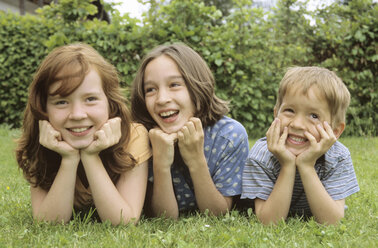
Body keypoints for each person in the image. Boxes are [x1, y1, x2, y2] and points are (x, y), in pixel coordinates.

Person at [15, 43, 151, 225]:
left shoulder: (133, 136)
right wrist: (69, 160)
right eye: (62, 102)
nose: (78, 114)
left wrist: (90, 156)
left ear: (110, 103)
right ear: (43, 107)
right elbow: (48, 223)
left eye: (91, 99)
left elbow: (124, 222)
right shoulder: (40, 141)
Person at [131, 43, 249, 218]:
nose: (162, 99)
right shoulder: (141, 139)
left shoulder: (228, 136)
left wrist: (195, 159)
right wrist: (161, 164)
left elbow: (217, 214)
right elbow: (164, 219)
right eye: (150, 90)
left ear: (198, 86)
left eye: (174, 84)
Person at [241, 66, 360, 225]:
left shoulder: (338, 156)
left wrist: (306, 165)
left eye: (313, 116)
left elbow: (332, 222)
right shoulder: (262, 155)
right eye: (289, 110)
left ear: (335, 131)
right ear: (276, 114)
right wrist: (287, 165)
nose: (297, 124)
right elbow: (269, 222)